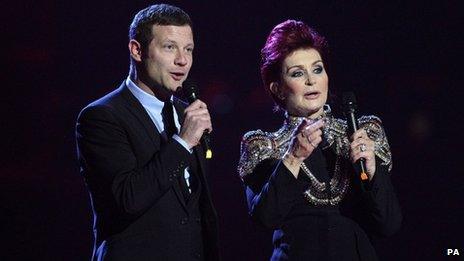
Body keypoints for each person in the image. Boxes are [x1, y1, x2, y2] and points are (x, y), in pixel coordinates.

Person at [238, 20, 402, 260]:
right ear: (278, 89)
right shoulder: (264, 147)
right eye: (297, 73)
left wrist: (372, 170)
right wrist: (293, 158)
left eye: (317, 69)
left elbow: (389, 225)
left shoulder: (360, 134)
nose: (311, 80)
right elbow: (265, 219)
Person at [76, 4, 219, 261]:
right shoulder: (101, 117)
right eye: (169, 47)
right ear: (137, 50)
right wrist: (182, 142)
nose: (182, 60)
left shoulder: (186, 113)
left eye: (188, 49)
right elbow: (128, 198)